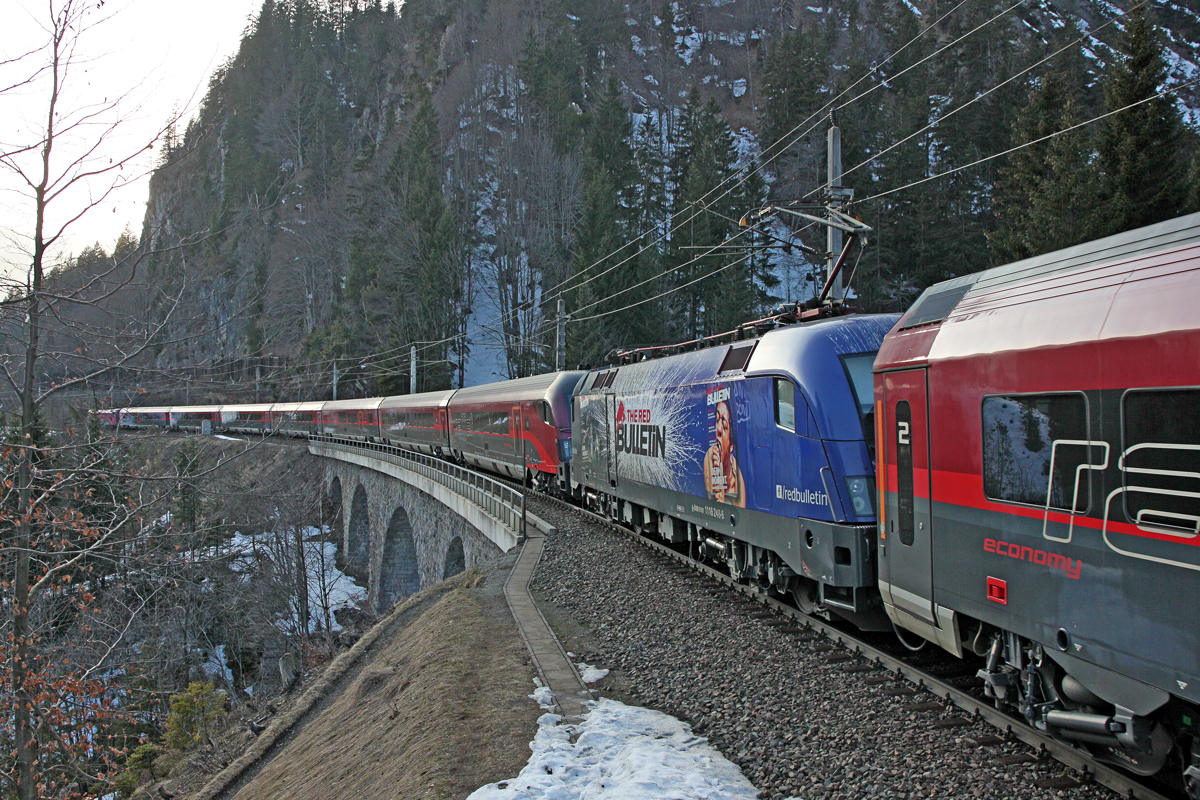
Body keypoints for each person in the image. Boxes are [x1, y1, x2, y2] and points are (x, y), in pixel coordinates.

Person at [704, 399, 746, 508]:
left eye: (724, 424)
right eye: (717, 420)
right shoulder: (710, 457)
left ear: (731, 444)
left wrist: (722, 499)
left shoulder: (738, 478)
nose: (718, 428)